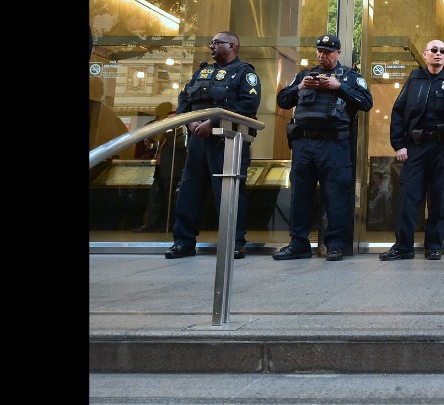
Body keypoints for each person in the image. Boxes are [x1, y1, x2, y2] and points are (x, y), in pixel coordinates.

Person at [273, 33, 373, 262]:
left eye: (327, 52)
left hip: (334, 144)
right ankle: (299, 244)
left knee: (336, 195)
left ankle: (336, 244)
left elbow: (366, 103)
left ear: (338, 53)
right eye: (319, 51)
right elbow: (282, 101)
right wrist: (299, 87)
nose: (322, 55)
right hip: (304, 144)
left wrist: (339, 87)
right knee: (300, 194)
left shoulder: (349, 77)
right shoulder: (304, 75)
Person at [165, 31, 262, 260]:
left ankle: (234, 242)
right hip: (198, 140)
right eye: (212, 42)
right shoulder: (202, 71)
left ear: (232, 46)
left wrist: (213, 122)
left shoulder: (245, 74)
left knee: (229, 193)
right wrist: (190, 122)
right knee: (189, 191)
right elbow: (184, 99)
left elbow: (248, 104)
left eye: (217, 43)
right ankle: (183, 241)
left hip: (227, 141)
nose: (211, 46)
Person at [379, 40, 444, 262]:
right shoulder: (414, 79)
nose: (438, 54)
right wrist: (399, 144)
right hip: (416, 148)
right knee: (409, 198)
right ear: (425, 54)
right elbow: (398, 111)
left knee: (440, 200)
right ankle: (403, 247)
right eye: (433, 50)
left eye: (442, 51)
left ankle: (433, 247)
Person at [133, 102, 188, 233]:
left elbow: (179, 146)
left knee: (170, 201)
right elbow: (162, 151)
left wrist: (169, 130)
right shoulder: (167, 134)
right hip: (160, 170)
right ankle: (151, 224)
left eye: (170, 120)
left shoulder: (180, 132)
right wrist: (152, 147)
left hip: (172, 172)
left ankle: (168, 225)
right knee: (155, 199)